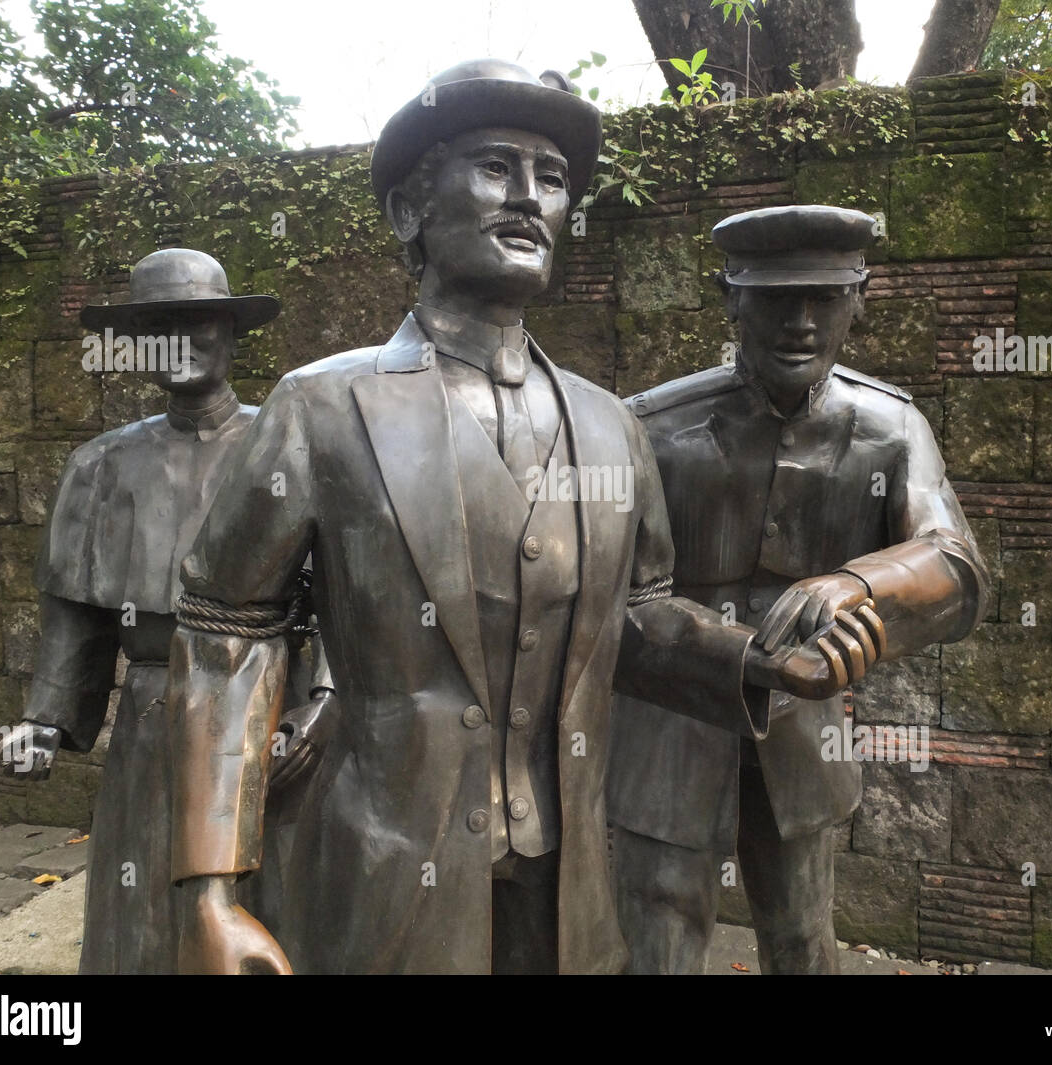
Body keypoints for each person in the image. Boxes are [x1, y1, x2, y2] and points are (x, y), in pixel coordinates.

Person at [164, 63, 881, 975]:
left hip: (567, 883)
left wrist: (757, 662)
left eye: (551, 177)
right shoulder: (321, 407)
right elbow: (229, 631)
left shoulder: (609, 423)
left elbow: (641, 612)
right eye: (496, 166)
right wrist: (210, 887)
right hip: (387, 868)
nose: (531, 197)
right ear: (408, 212)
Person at [607, 205, 991, 974]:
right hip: (668, 731)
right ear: (731, 298)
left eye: (825, 297)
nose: (802, 322)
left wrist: (859, 584)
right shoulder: (649, 428)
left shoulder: (889, 428)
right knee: (660, 933)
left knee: (802, 933)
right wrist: (745, 658)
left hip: (804, 737)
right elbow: (607, 603)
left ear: (861, 296)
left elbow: (958, 568)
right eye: (778, 300)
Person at [0, 248, 316, 973]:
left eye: (196, 321)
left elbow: (336, 602)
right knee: (141, 910)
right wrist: (44, 721)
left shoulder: (289, 446)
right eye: (158, 326)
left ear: (231, 333)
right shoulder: (100, 466)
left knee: (268, 899)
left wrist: (317, 703)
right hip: (151, 713)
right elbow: (76, 619)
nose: (179, 341)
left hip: (265, 709)